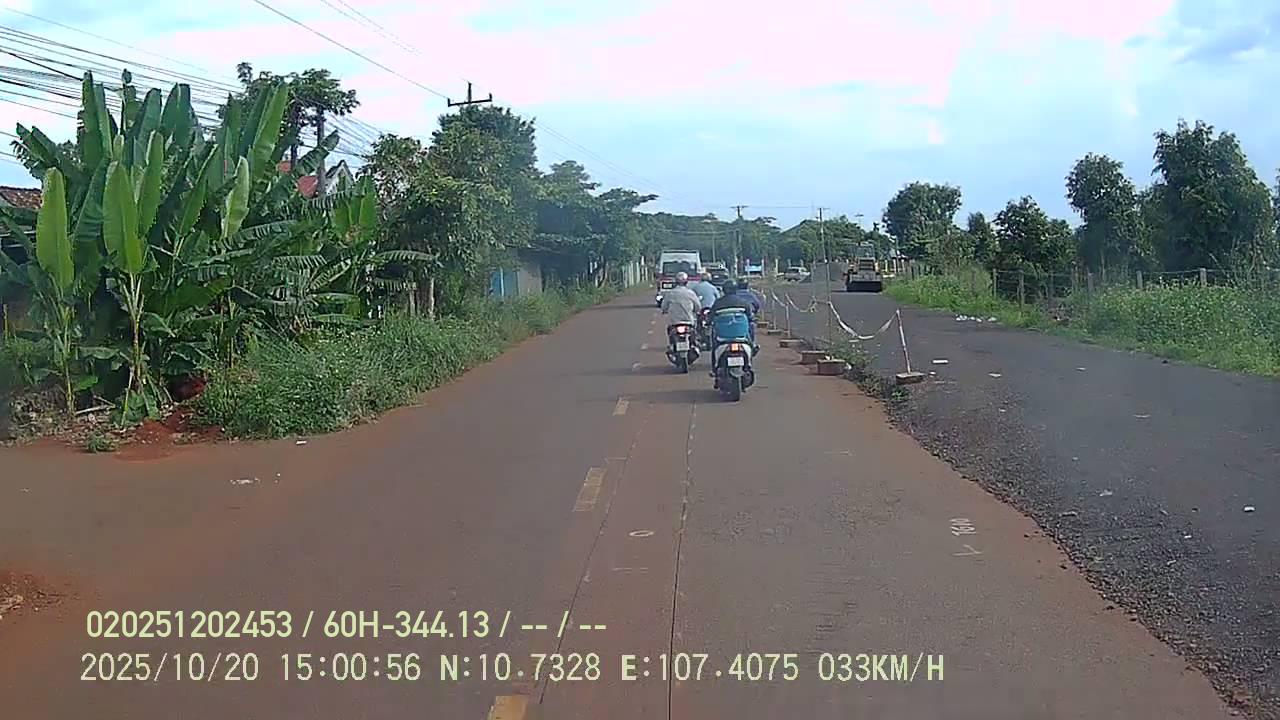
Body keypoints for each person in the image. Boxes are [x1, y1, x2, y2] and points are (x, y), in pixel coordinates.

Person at [707, 280, 759, 375]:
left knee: (714, 345)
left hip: (722, 337)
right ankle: (751, 352)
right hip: (741, 337)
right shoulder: (743, 302)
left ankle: (714, 369)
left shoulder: (718, 303)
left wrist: (708, 323)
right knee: (750, 333)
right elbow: (751, 317)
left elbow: (710, 318)